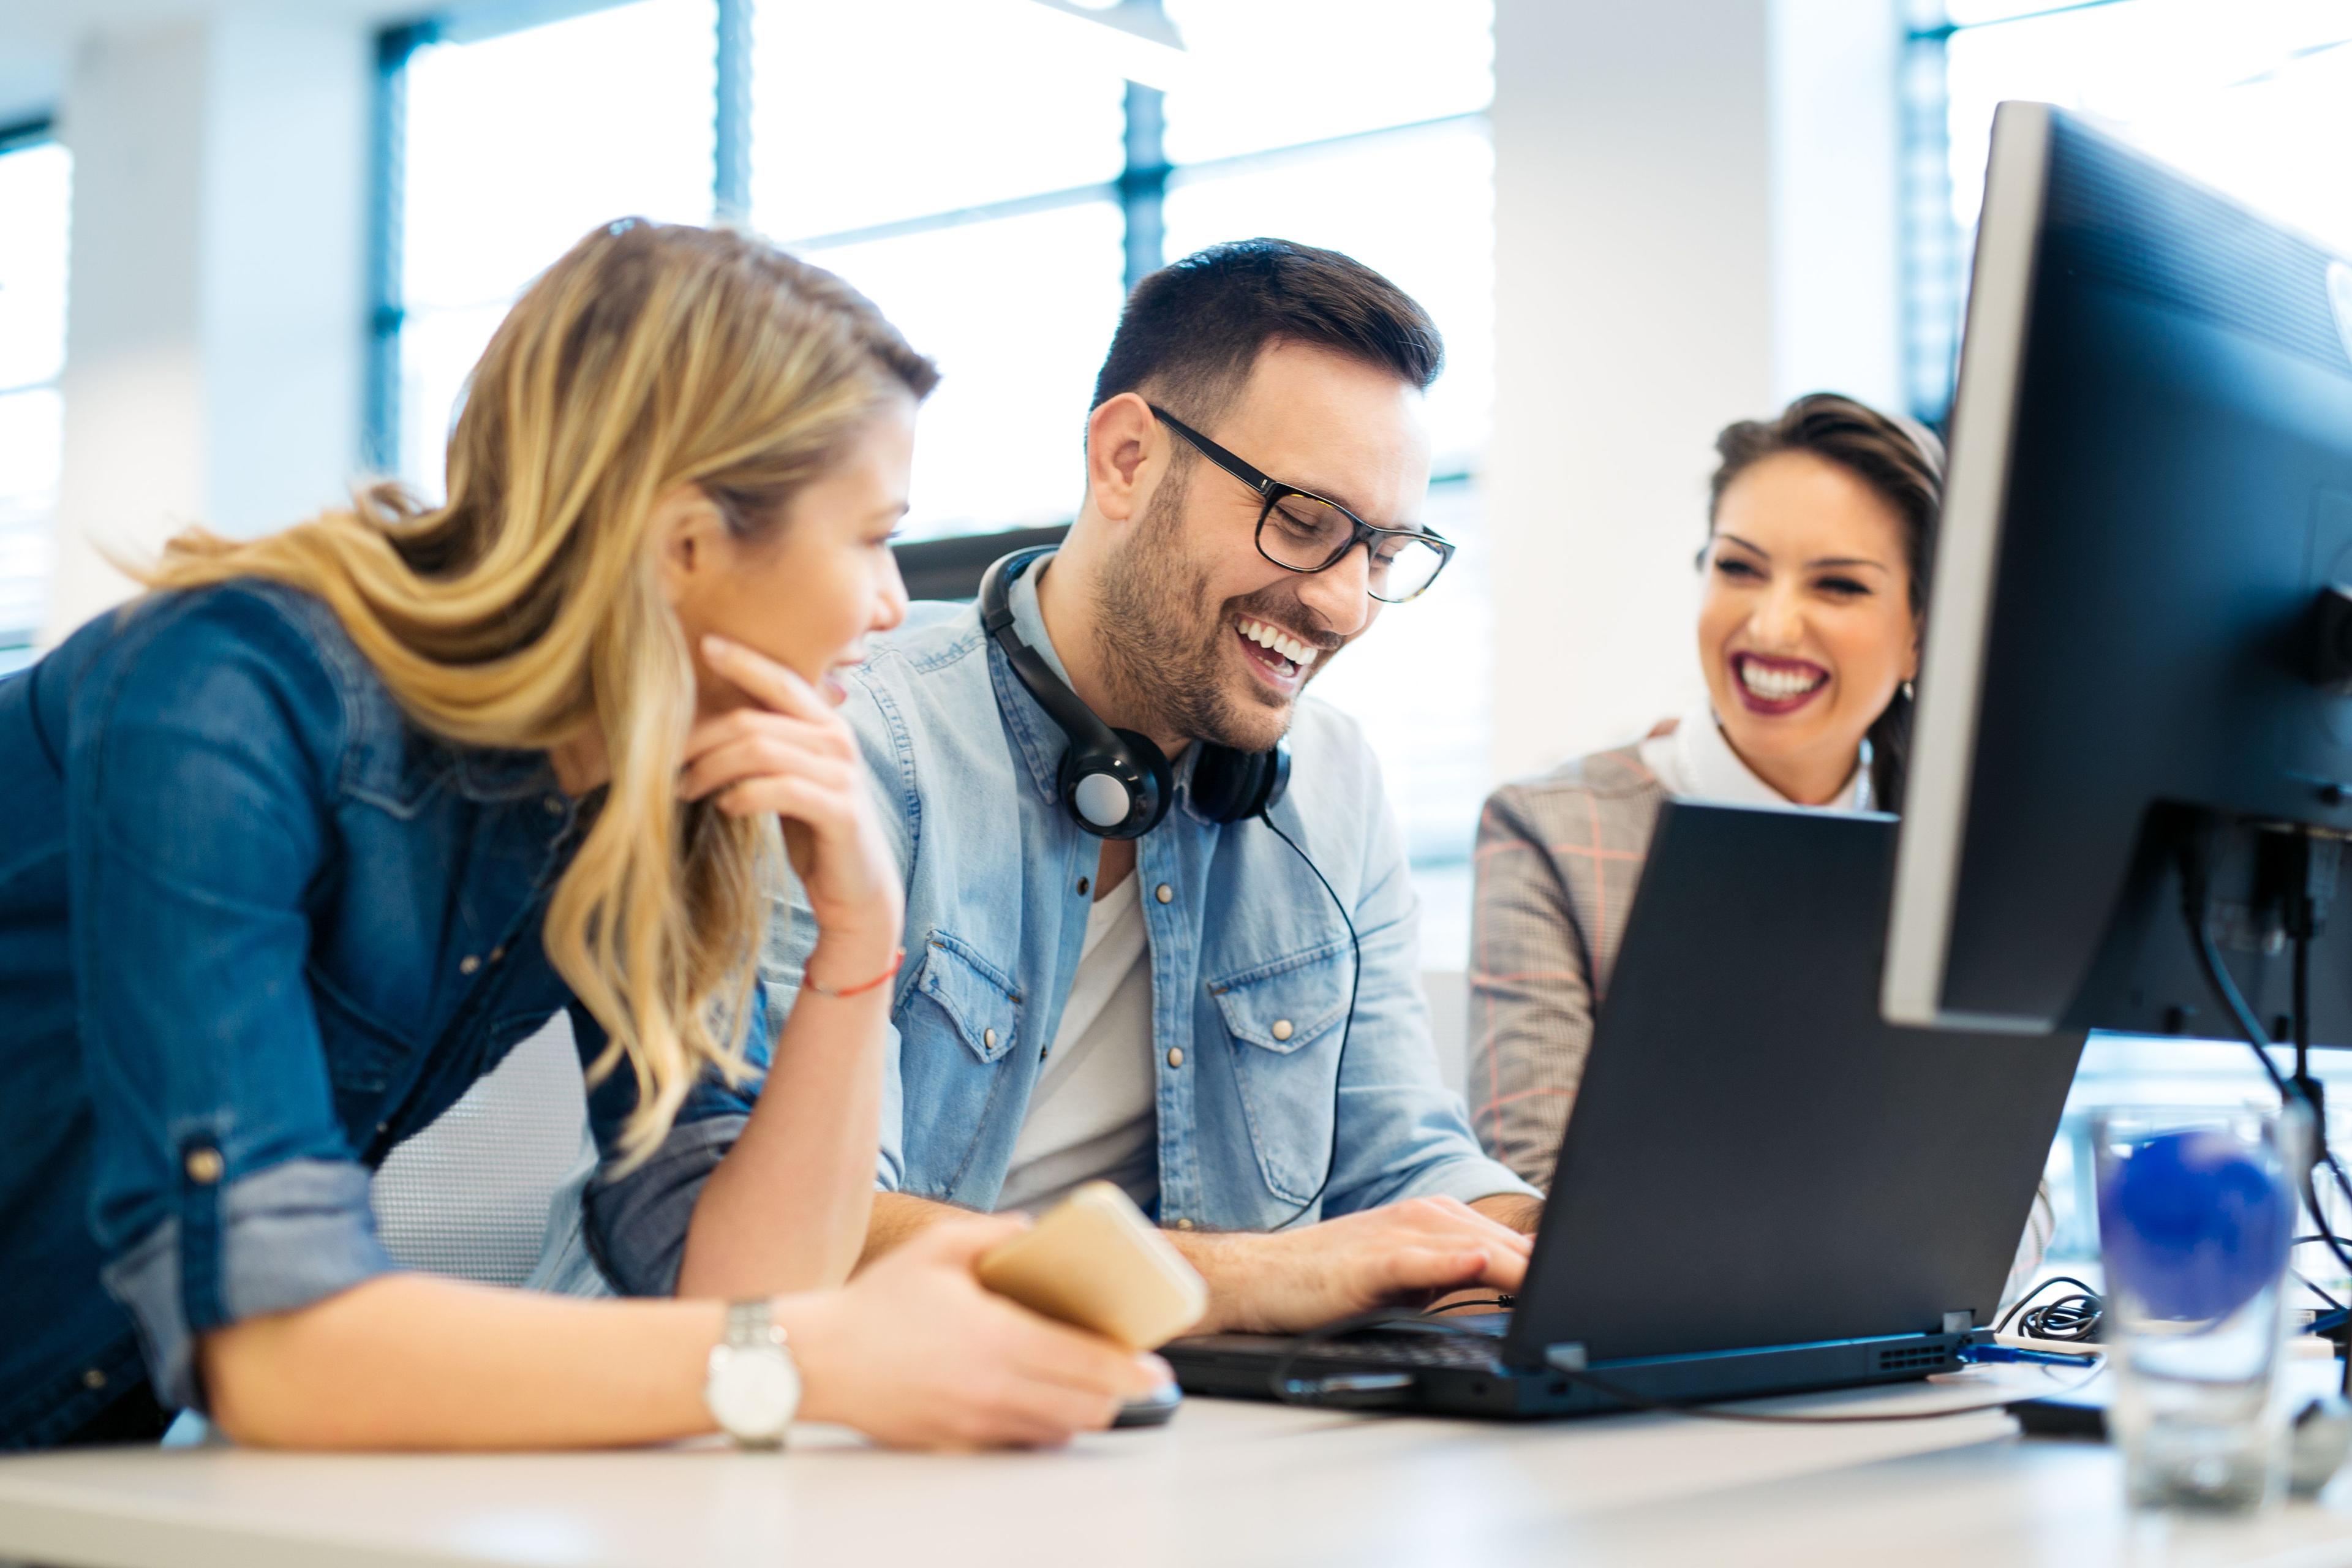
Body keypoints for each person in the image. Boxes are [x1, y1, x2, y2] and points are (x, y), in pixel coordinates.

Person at [0, 220, 1163, 1453]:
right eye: (872, 534)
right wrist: (818, 1361)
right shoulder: (228, 690)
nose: (890, 600)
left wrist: (857, 940)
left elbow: (740, 1283)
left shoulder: (640, 788)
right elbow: (277, 1352)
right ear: (685, 545)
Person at [761, 238, 1542, 1339]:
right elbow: (794, 1235)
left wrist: (1561, 1245)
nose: (1345, 605)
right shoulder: (853, 739)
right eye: (1304, 521)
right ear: (1127, 458)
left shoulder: (1332, 779)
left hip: (1136, 1430)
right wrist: (1257, 1278)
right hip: (807, 1421)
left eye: (1381, 551)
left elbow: (1399, 1158)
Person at [1466, 393, 2051, 1294]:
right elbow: (1532, 1192)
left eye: (1840, 584)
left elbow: (2016, 1202)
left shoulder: (1965, 865)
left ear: (1922, 636)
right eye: (1740, 569)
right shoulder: (1552, 830)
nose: (1772, 626)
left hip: (1892, 1378)